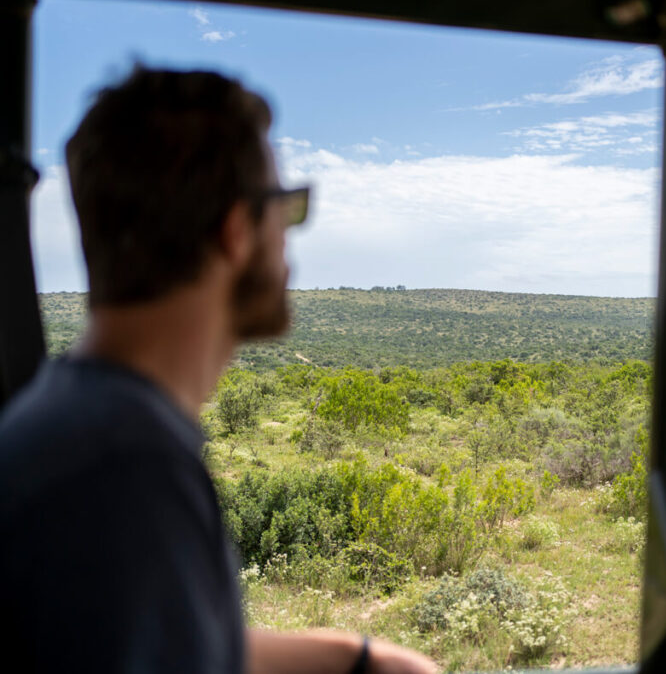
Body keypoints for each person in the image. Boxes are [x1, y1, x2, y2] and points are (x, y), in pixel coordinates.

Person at [0, 66, 437, 674]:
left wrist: (355, 657)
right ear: (236, 229)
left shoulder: (73, 419)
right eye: (285, 209)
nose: (290, 240)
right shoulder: (127, 472)